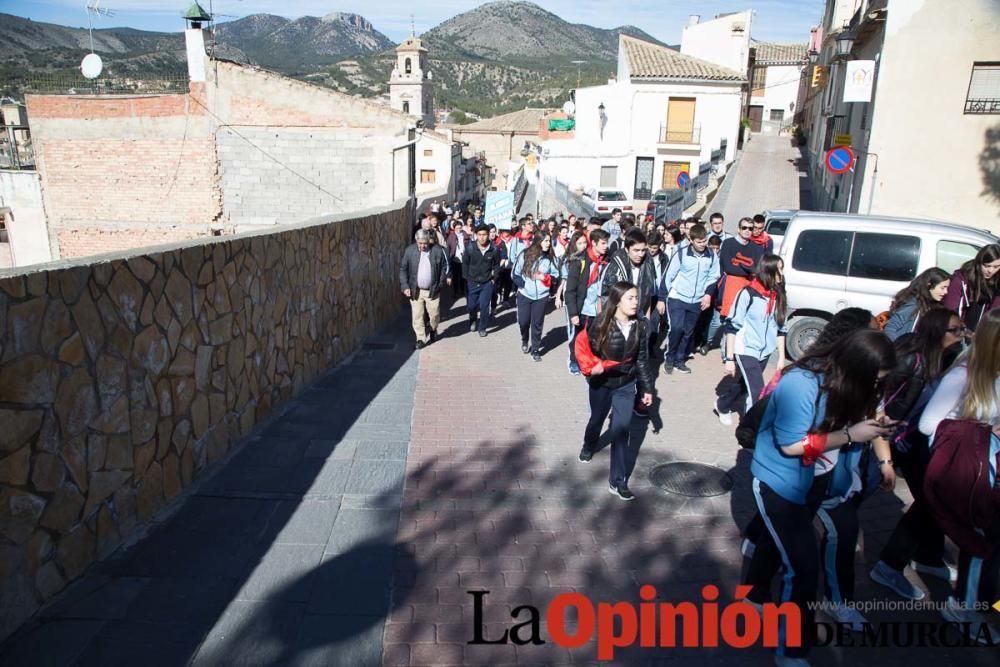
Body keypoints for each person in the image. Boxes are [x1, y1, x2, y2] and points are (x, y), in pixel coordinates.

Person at [744, 328, 897, 665]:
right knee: (802, 569)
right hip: (780, 483)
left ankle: (754, 591)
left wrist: (882, 447)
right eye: (875, 379)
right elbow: (791, 445)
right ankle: (791, 651)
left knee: (788, 544)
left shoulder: (859, 385)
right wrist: (850, 434)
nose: (877, 388)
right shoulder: (801, 383)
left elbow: (870, 419)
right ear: (857, 366)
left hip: (823, 481)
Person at [868, 307, 967, 601]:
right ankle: (888, 567)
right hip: (890, 437)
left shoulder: (948, 358)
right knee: (854, 495)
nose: (962, 335)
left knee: (933, 500)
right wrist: (882, 440)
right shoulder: (911, 358)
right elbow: (882, 398)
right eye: (955, 330)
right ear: (937, 332)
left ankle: (928, 557)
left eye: (962, 329)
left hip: (912, 439)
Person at [918, 309, 1000, 638]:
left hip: (992, 466)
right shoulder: (963, 376)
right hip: (972, 472)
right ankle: (964, 609)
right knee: (981, 542)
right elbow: (927, 425)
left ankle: (981, 604)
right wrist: (981, 428)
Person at [574, 281, 655, 500]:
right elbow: (582, 351)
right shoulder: (600, 323)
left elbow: (642, 360)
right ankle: (589, 444)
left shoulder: (641, 326)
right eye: (630, 298)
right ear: (617, 301)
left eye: (637, 298)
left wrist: (647, 389)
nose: (635, 302)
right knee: (597, 419)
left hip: (626, 385)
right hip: (602, 384)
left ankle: (617, 482)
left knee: (621, 430)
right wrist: (593, 368)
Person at [716, 254, 787, 424]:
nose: (782, 273)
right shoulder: (747, 294)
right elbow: (732, 326)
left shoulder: (778, 294)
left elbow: (781, 329)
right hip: (745, 348)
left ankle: (722, 404)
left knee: (744, 384)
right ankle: (750, 433)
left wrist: (782, 358)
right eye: (779, 269)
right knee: (757, 392)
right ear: (767, 270)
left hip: (765, 350)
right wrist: (729, 358)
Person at [659, 224, 720, 375]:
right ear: (691, 240)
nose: (703, 244)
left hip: (697, 300)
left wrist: (707, 294)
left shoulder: (711, 256)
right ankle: (670, 358)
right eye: (699, 242)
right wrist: (662, 298)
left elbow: (713, 277)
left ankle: (680, 360)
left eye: (704, 241)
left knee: (687, 332)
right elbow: (668, 276)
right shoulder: (681, 254)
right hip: (678, 298)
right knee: (677, 328)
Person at [565, 229, 611, 372]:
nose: (606, 246)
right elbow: (570, 290)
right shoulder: (580, 261)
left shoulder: (606, 261)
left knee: (593, 339)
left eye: (607, 243)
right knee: (578, 337)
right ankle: (573, 360)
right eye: (603, 243)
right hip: (582, 308)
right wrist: (573, 313)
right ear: (594, 243)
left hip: (597, 309)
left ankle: (587, 361)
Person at [399, 229, 450, 349]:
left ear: (429, 241)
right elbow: (403, 269)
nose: (423, 245)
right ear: (416, 241)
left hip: (432, 290)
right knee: (417, 315)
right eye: (420, 243)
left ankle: (433, 329)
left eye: (425, 243)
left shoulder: (437, 251)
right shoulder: (410, 251)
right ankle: (420, 339)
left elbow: (444, 268)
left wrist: (440, 283)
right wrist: (405, 286)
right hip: (415, 290)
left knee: (434, 315)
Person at [513, 233, 560, 361]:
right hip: (525, 294)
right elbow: (515, 274)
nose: (548, 243)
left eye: (549, 241)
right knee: (523, 321)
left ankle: (535, 349)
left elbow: (556, 275)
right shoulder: (525, 254)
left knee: (537, 323)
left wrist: (546, 278)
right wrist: (523, 284)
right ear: (538, 241)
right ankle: (524, 339)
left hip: (542, 296)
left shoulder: (551, 258)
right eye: (545, 241)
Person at [942, 243, 1000, 332]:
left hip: (981, 334)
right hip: (959, 332)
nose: (990, 271)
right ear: (979, 263)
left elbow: (994, 312)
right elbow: (951, 310)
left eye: (996, 267)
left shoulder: (996, 281)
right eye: (987, 266)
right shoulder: (961, 279)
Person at [556, 231, 592, 375]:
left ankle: (582, 358)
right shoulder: (569, 260)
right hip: (570, 299)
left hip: (584, 301)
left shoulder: (588, 258)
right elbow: (564, 280)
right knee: (573, 333)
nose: (583, 246)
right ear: (574, 245)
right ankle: (572, 360)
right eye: (580, 243)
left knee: (584, 333)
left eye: (585, 243)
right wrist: (558, 296)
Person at [883, 267, 951, 341]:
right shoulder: (913, 304)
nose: (946, 292)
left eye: (947, 288)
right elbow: (891, 328)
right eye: (943, 288)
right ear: (929, 284)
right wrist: (900, 348)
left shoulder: (929, 303)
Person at [718, 217, 766, 320]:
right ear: (739, 229)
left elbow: (757, 269)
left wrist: (741, 267)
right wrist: (748, 270)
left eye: (750, 228)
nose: (747, 231)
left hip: (749, 286)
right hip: (731, 285)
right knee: (724, 320)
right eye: (744, 228)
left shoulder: (757, 248)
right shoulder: (728, 243)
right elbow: (728, 267)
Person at [464, 224, 501, 337]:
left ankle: (482, 327)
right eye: (479, 235)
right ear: (476, 235)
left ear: (488, 235)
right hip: (473, 281)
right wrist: (467, 278)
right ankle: (473, 319)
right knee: (471, 305)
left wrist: (494, 278)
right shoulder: (470, 248)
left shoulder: (493, 249)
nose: (482, 237)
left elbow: (496, 265)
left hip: (487, 282)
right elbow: (465, 264)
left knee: (485, 306)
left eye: (484, 234)